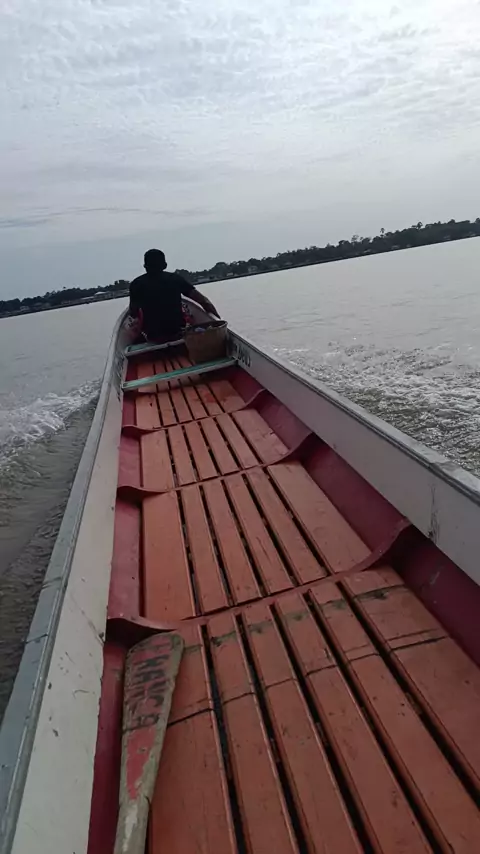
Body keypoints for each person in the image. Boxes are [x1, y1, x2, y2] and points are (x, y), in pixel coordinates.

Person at [128, 249, 220, 341]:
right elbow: (204, 301)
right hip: (178, 333)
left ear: (145, 266)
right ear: (165, 265)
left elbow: (133, 313)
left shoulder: (136, 285)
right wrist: (217, 319)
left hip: (153, 337)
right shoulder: (175, 279)